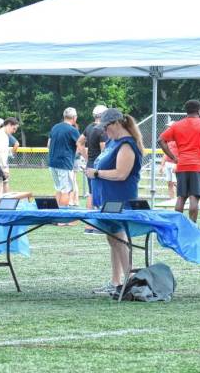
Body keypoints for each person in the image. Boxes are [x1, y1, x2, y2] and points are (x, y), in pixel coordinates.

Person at [86, 108, 144, 294]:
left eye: (106, 127)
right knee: (113, 239)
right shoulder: (113, 141)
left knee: (119, 239)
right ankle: (116, 281)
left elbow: (121, 174)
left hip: (120, 201)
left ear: (117, 123)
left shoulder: (126, 145)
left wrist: (96, 173)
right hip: (107, 201)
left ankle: (128, 282)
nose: (104, 131)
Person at [158, 100, 200, 222]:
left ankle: (178, 225)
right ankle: (192, 226)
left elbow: (160, 140)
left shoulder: (177, 125)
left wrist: (173, 157)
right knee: (194, 198)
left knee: (181, 197)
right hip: (198, 166)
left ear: (186, 111)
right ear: (199, 110)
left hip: (182, 165)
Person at [76, 105, 108, 211]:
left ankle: (89, 224)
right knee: (100, 194)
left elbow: (79, 142)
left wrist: (87, 158)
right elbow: (104, 151)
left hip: (90, 164)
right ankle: (98, 223)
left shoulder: (90, 127)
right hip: (99, 167)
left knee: (91, 193)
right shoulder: (102, 130)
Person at [48, 107, 80, 207]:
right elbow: (79, 146)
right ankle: (62, 220)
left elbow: (48, 144)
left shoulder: (55, 127)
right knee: (66, 191)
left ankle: (56, 217)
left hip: (52, 163)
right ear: (74, 118)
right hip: (64, 164)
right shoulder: (72, 130)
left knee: (59, 189)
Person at [158, 121, 178, 199]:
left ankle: (178, 200)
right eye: (168, 127)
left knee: (176, 183)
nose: (168, 128)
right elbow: (165, 153)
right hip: (168, 163)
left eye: (170, 127)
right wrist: (162, 165)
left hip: (175, 164)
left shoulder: (179, 138)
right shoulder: (168, 138)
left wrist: (177, 165)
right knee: (169, 183)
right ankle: (171, 201)